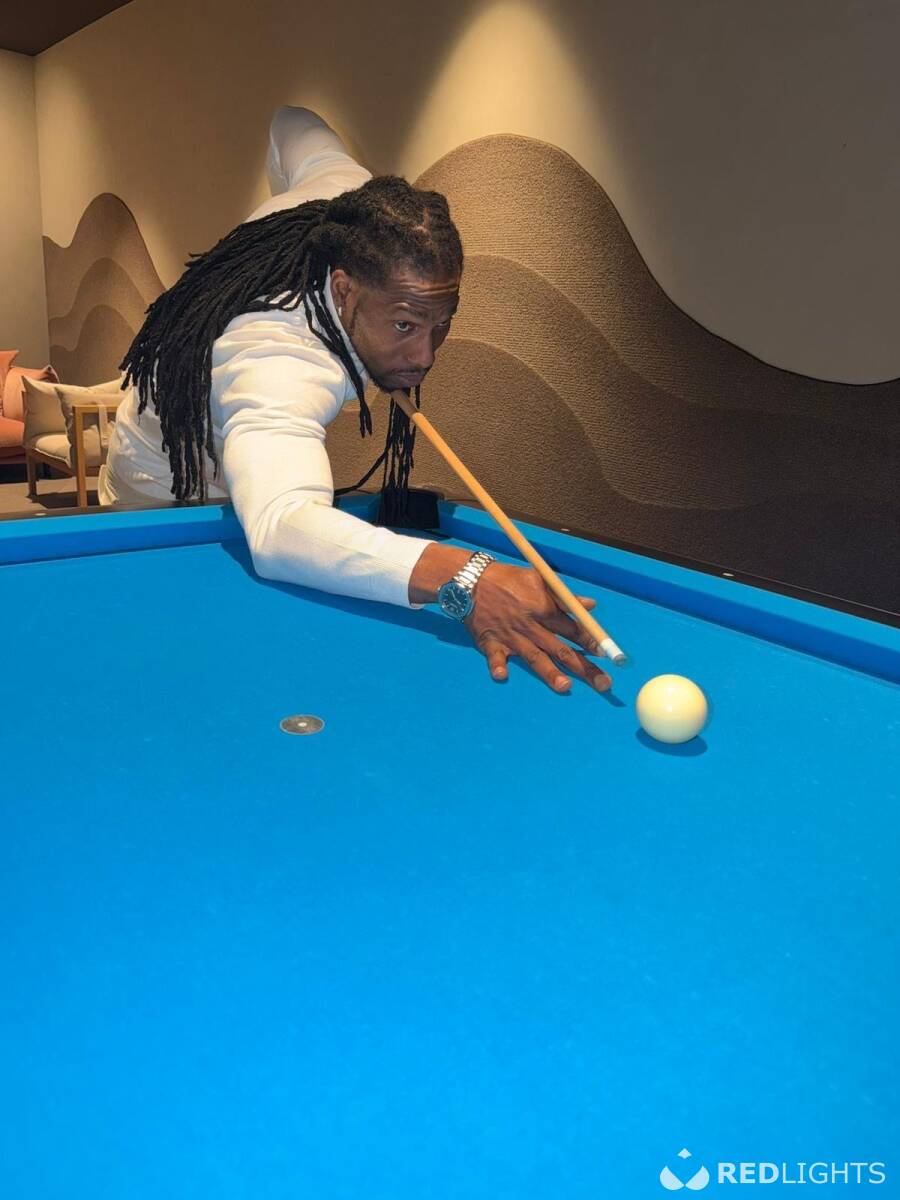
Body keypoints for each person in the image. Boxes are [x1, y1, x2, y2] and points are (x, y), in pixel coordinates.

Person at [104, 107, 611, 695]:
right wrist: (469, 576)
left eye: (441, 324)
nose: (425, 356)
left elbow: (291, 122)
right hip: (165, 478)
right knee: (178, 654)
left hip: (244, 445)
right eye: (404, 324)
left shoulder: (347, 199)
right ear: (343, 288)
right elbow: (281, 527)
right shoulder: (280, 359)